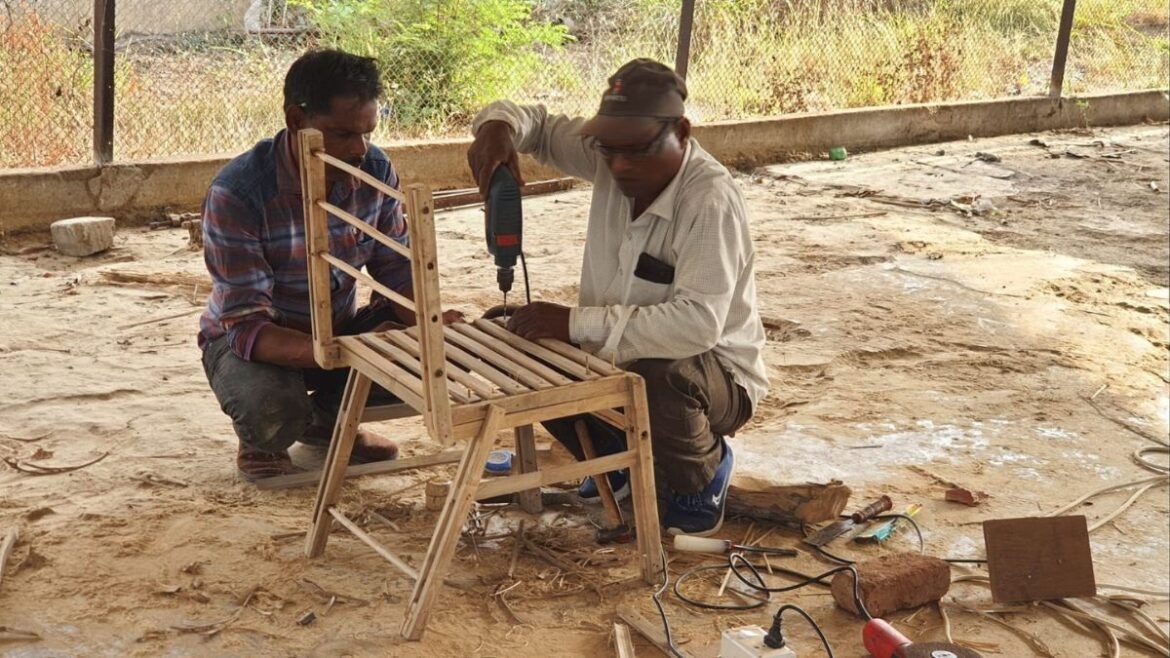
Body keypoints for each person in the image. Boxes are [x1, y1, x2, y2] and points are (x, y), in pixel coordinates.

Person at [467, 58, 768, 536]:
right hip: (623, 355)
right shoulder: (611, 155)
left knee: (655, 368)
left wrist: (575, 324)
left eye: (638, 151)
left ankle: (701, 474)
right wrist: (496, 126)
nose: (622, 165)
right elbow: (540, 128)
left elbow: (697, 325)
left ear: (682, 132)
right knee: (514, 330)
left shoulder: (709, 200)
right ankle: (616, 463)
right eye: (609, 150)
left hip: (714, 378)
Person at [198, 49, 461, 481]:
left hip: (338, 327)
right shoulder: (239, 192)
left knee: (440, 362)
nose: (359, 151)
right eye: (342, 134)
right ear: (297, 121)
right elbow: (246, 325)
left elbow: (396, 269)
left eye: (367, 133)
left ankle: (329, 422)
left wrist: (428, 325)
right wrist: (351, 352)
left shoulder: (372, 168)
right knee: (271, 406)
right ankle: (268, 435)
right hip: (257, 345)